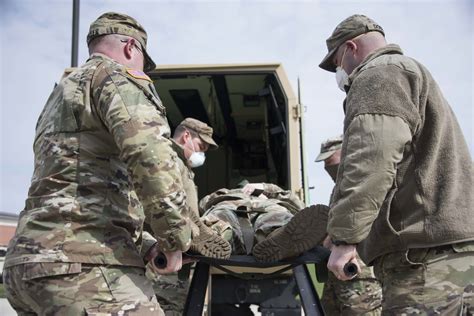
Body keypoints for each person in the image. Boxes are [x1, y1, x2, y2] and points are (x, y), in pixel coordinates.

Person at [3, 12, 228, 315]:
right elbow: (149, 158)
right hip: (85, 266)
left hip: (26, 265)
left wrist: (148, 245)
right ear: (130, 47)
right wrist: (175, 239)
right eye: (143, 62)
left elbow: (80, 189)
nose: (142, 70)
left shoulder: (59, 95)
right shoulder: (116, 77)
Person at [257, 14, 474, 314]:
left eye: (336, 63)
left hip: (425, 263)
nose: (339, 72)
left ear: (351, 48)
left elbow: (370, 160)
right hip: (449, 256)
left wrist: (346, 238)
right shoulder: (408, 73)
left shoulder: (377, 75)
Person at [150, 118, 223, 316]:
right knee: (167, 306)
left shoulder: (183, 166)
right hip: (164, 251)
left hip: (177, 252)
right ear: (186, 136)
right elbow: (165, 205)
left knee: (175, 306)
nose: (201, 154)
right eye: (201, 146)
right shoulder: (168, 159)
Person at [316, 136, 382, 315]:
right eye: (325, 162)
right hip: (336, 269)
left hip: (358, 272)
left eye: (331, 159)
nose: (327, 166)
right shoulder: (339, 187)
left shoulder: (365, 182)